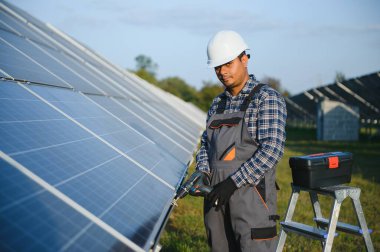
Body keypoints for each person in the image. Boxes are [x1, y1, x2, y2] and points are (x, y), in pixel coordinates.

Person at [190, 30, 287, 251]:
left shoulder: (266, 98)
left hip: (251, 198)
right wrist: (203, 171)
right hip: (216, 196)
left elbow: (272, 149)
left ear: (244, 59)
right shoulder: (217, 104)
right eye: (217, 67)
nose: (222, 72)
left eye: (227, 64)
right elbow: (206, 143)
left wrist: (233, 183)